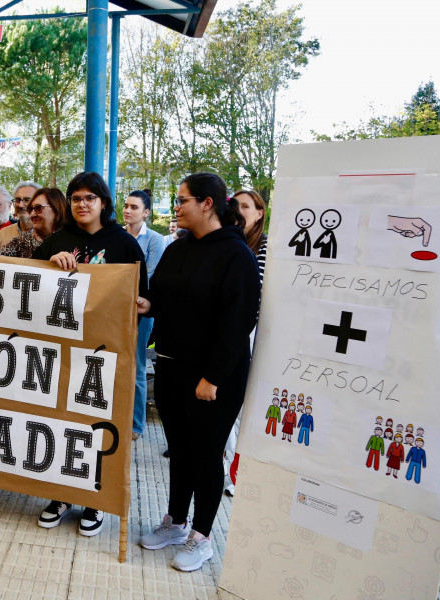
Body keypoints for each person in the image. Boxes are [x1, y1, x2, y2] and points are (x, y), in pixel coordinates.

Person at [139, 172, 260, 572]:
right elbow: (161, 296)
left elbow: (237, 321)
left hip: (213, 379)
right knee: (181, 451)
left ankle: (202, 536)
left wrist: (213, 378)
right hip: (172, 368)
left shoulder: (236, 254)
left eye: (182, 200)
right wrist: (145, 305)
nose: (176, 207)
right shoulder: (179, 248)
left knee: (207, 455)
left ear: (208, 203)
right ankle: (175, 521)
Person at [32, 172, 148, 538]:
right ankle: (60, 493)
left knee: (97, 426)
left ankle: (93, 498)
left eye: (90, 198)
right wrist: (48, 264)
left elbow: (140, 299)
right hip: (60, 352)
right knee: (60, 421)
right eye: (77, 198)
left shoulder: (125, 244)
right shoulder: (56, 241)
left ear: (103, 202)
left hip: (103, 354)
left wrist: (144, 306)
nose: (83, 204)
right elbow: (26, 290)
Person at [223, 189, 267, 495]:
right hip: (226, 339)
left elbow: (257, 298)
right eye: (234, 205)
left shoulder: (265, 249)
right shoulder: (227, 244)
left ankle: (239, 472)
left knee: (244, 411)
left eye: (246, 206)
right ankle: (229, 470)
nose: (239, 210)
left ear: (260, 213)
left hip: (254, 340)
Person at [124, 190, 164, 441]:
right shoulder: (116, 235)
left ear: (146, 212)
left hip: (141, 310)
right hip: (115, 309)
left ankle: (136, 425)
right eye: (126, 206)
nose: (128, 210)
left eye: (134, 207)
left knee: (137, 365)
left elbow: (149, 277)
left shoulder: (155, 240)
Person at [0, 188, 67, 259]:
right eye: (31, 209)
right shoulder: (22, 242)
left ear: (56, 209)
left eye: (38, 208)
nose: (32, 214)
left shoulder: (72, 241)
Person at [0, 181, 41, 249]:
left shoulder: (47, 235)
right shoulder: (2, 234)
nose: (21, 205)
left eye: (27, 200)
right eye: (17, 200)